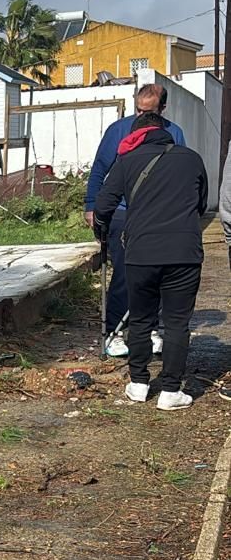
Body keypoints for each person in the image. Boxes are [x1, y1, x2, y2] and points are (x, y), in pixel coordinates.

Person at [94, 111, 207, 410]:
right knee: (177, 322)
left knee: (141, 319)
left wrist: (101, 232)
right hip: (184, 252)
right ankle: (171, 391)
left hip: (141, 253)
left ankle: (139, 384)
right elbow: (201, 203)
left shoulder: (127, 162)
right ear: (164, 131)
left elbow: (103, 205)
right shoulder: (192, 158)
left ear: (136, 135)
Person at [85, 84, 186, 356]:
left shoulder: (174, 133)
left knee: (157, 274)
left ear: (162, 109)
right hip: (122, 211)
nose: (142, 116)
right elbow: (99, 169)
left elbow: (181, 172)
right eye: (138, 110)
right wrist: (91, 205)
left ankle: (149, 327)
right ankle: (114, 331)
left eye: (148, 111)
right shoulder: (118, 131)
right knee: (124, 273)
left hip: (157, 214)